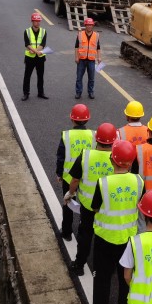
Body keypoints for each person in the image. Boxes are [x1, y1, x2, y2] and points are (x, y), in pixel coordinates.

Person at [85, 140, 144, 304]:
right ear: (131, 162)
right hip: (129, 239)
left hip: (105, 239)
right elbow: (141, 206)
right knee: (125, 277)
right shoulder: (139, 181)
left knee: (102, 278)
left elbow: (95, 207)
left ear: (112, 159)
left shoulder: (104, 183)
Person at [64, 122, 117, 276]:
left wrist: (70, 194)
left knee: (86, 234)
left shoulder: (86, 155)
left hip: (87, 206)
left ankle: (79, 265)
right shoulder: (116, 157)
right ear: (114, 140)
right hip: (107, 206)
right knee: (103, 237)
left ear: (96, 138)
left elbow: (75, 180)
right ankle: (104, 269)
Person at [55, 104, 95, 242]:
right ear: (87, 120)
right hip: (88, 177)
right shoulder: (93, 135)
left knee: (68, 202)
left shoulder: (67, 135)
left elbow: (60, 157)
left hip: (69, 177)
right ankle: (84, 229)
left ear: (72, 119)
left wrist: (59, 173)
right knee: (86, 204)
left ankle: (66, 231)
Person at [21, 13, 48, 101]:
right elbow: (27, 44)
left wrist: (34, 50)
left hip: (40, 58)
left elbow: (42, 44)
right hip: (30, 58)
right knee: (27, 76)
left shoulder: (44, 31)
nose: (37, 23)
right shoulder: (27, 31)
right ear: (32, 21)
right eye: (36, 21)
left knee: (40, 76)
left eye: (38, 21)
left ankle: (40, 93)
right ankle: (26, 93)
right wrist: (36, 51)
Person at [75, 17, 101, 99]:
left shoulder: (96, 35)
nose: (89, 26)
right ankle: (78, 92)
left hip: (91, 60)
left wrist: (99, 57)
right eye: (88, 25)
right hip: (81, 59)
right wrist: (76, 57)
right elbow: (76, 47)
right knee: (79, 77)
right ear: (85, 25)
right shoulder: (80, 35)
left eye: (91, 25)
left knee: (91, 78)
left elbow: (98, 47)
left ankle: (91, 92)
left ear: (92, 26)